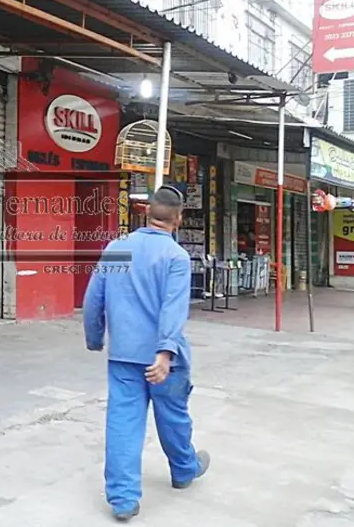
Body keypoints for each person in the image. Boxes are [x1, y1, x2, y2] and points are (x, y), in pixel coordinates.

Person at [83, 186, 210, 522]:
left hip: (124, 355)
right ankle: (184, 469)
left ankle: (123, 500)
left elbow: (93, 299)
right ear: (179, 219)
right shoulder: (176, 257)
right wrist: (166, 353)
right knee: (173, 417)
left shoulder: (116, 248)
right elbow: (174, 307)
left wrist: (95, 338)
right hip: (163, 361)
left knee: (123, 423)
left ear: (145, 212)